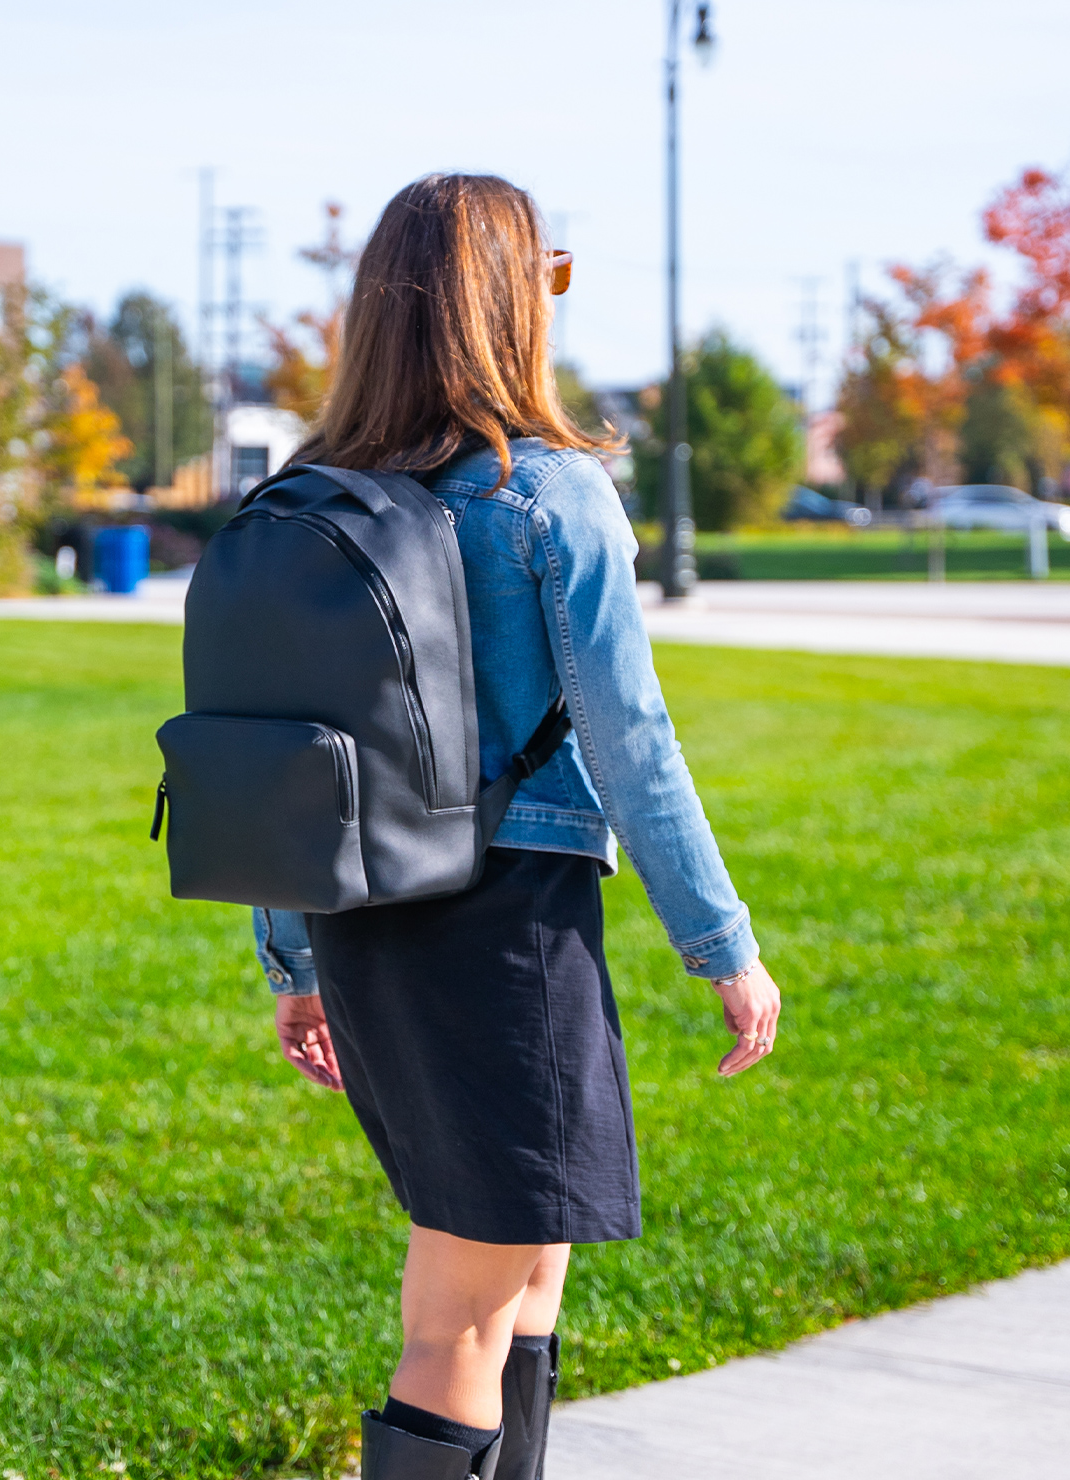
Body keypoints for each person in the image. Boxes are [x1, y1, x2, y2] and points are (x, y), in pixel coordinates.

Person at [250, 173, 781, 1480]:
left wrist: (297, 958)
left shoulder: (307, 503)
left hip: (368, 923)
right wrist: (724, 942)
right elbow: (630, 737)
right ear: (511, 304)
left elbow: (273, 751)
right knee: (463, 1314)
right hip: (507, 931)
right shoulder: (542, 494)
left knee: (524, 1265)